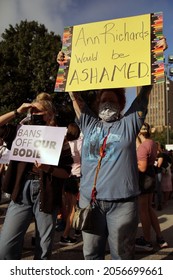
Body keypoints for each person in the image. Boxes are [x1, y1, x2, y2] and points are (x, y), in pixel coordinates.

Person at [57, 37, 167, 260]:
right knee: (91, 255)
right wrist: (64, 65)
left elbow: (145, 91)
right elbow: (74, 95)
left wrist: (157, 54)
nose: (107, 104)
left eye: (112, 101)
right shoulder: (88, 123)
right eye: (103, 101)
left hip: (123, 204)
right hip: (91, 202)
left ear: (121, 105)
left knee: (121, 258)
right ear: (97, 105)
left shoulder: (129, 123)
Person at [0, 98, 73, 259]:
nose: (35, 114)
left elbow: (67, 171)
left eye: (39, 111)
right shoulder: (21, 132)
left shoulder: (59, 137)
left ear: (50, 114)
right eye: (32, 111)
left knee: (43, 249)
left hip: (46, 193)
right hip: (21, 191)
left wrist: (48, 169)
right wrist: (17, 111)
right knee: (5, 248)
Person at [135, 123, 168, 251]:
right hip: (151, 175)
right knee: (149, 209)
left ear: (139, 132)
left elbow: (141, 167)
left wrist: (132, 164)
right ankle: (159, 237)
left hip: (144, 178)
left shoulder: (144, 146)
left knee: (143, 210)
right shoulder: (152, 143)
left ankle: (147, 240)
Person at [59, 123, 83, 245]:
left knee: (69, 207)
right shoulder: (79, 143)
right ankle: (65, 235)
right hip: (76, 177)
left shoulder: (64, 143)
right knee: (74, 207)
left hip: (66, 176)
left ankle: (75, 229)